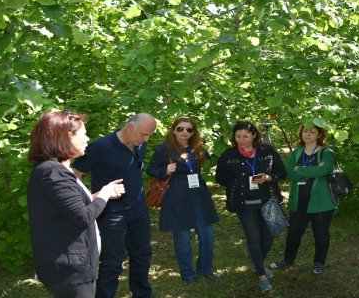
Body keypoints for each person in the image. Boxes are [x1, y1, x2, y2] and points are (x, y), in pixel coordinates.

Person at [27, 110, 125, 298]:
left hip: (71, 266)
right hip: (70, 269)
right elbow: (83, 216)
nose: (87, 139)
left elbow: (69, 209)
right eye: (84, 133)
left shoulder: (54, 169)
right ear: (67, 136)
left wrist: (100, 195)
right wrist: (104, 194)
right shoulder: (53, 172)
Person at [72, 113, 157, 298]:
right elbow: (76, 172)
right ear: (129, 128)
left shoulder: (139, 144)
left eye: (149, 135)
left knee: (142, 255)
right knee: (112, 261)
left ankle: (142, 293)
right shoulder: (101, 147)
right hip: (111, 213)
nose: (146, 139)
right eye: (144, 134)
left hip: (138, 210)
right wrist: (89, 198)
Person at [147, 117, 220, 284]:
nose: (184, 132)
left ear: (193, 132)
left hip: (199, 196)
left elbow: (210, 160)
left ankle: (205, 270)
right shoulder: (164, 149)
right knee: (182, 238)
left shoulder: (197, 148)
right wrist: (164, 169)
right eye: (180, 129)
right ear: (173, 130)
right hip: (176, 197)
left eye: (189, 129)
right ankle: (188, 275)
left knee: (207, 236)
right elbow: (152, 169)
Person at [215, 121, 286, 292]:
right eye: (238, 136)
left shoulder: (267, 152)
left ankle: (257, 264)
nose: (241, 140)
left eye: (245, 136)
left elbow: (281, 173)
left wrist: (268, 177)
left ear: (254, 135)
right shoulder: (228, 154)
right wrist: (238, 181)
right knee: (253, 238)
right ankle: (261, 275)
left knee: (268, 238)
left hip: (267, 202)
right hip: (243, 204)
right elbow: (220, 178)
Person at [270, 125, 337, 274]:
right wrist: (311, 171)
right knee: (294, 232)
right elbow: (290, 174)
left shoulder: (326, 153)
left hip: (321, 201)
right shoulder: (296, 153)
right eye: (305, 131)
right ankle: (288, 260)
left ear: (319, 135)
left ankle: (319, 263)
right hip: (299, 200)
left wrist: (299, 169)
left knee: (321, 233)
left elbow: (324, 170)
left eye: (312, 132)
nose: (307, 134)